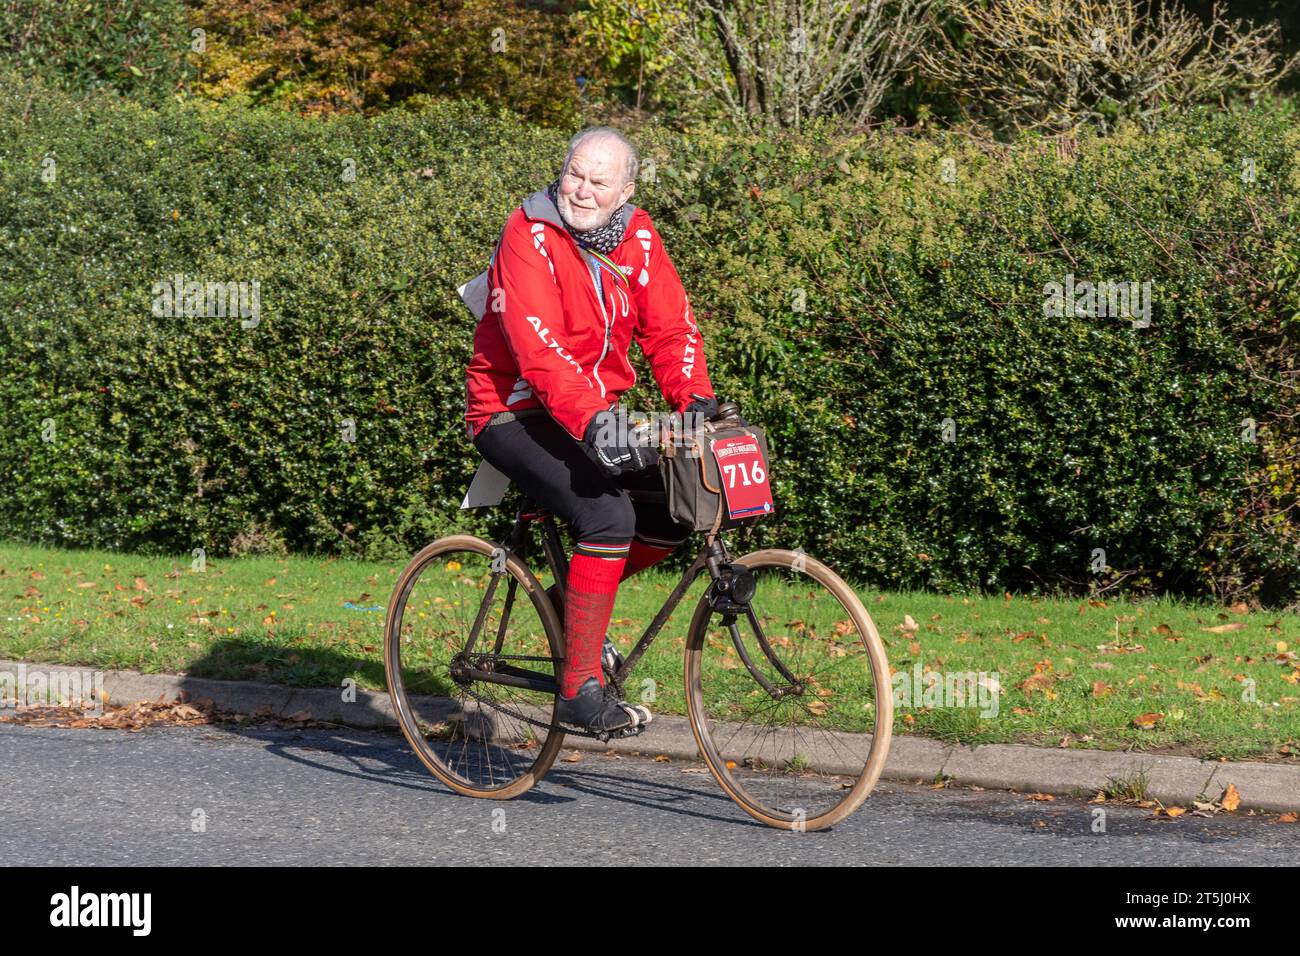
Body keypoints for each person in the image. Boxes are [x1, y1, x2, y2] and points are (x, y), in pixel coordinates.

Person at [463, 126, 721, 734]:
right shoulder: (527, 234)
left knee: (673, 507)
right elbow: (539, 349)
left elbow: (671, 329)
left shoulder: (640, 237)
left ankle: (565, 610)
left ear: (625, 189)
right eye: (573, 174)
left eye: (598, 182)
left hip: (594, 412)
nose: (580, 190)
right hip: (513, 410)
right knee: (607, 517)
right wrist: (597, 423)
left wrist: (695, 398)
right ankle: (577, 694)